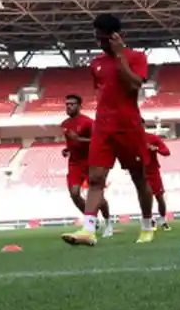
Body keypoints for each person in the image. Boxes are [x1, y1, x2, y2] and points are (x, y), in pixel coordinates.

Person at [62, 14, 156, 246]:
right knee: (95, 179)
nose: (98, 43)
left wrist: (120, 54)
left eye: (102, 38)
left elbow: (134, 84)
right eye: (96, 38)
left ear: (114, 36)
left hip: (129, 127)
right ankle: (88, 229)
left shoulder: (136, 57)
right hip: (103, 128)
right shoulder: (96, 64)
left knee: (139, 178)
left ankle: (146, 226)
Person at [60, 94, 112, 236]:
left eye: (72, 104)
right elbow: (72, 143)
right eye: (67, 104)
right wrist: (67, 149)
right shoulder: (64, 124)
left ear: (79, 106)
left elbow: (98, 141)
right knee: (74, 194)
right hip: (75, 163)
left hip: (91, 162)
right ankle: (92, 221)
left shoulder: (88, 122)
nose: (69, 106)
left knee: (98, 196)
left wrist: (79, 139)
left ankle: (108, 221)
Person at [143, 122, 172, 231]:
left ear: (143, 126)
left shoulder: (152, 138)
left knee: (159, 197)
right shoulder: (132, 140)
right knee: (145, 198)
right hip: (140, 173)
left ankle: (163, 219)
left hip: (153, 172)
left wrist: (156, 149)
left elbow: (167, 152)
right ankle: (149, 220)